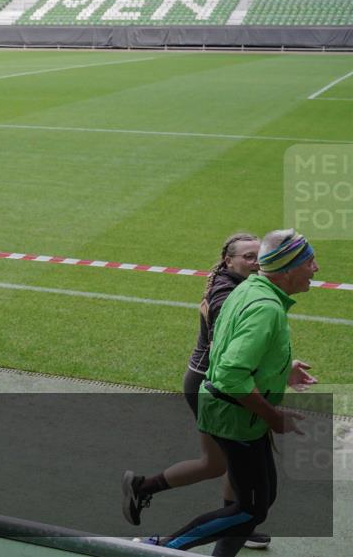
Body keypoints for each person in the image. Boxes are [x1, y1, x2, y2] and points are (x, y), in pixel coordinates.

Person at [144, 229, 319, 555]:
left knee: (259, 500)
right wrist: (273, 415)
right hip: (236, 419)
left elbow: (237, 351)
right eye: (310, 262)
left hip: (237, 416)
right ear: (288, 268)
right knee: (249, 509)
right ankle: (160, 548)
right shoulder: (265, 307)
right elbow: (230, 375)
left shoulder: (253, 286)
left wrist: (283, 369)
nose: (316, 269)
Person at [123, 233, 274, 549]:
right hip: (213, 386)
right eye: (248, 256)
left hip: (206, 382)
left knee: (216, 464)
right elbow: (230, 343)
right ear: (228, 260)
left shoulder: (236, 284)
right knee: (231, 466)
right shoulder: (225, 293)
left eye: (259, 255)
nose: (255, 261)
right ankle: (234, 522)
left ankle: (144, 488)